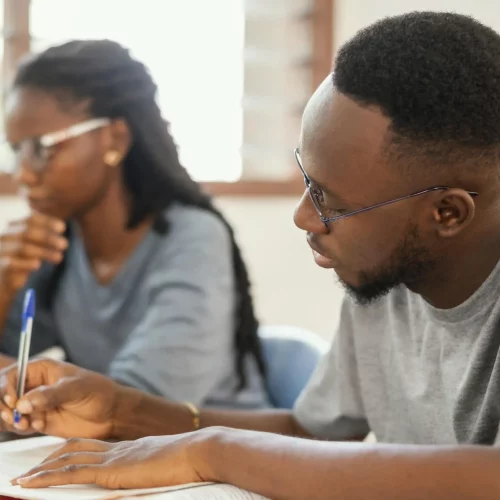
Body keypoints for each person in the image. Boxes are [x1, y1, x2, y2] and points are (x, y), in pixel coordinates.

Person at [2, 10, 500, 499]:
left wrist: (212, 450)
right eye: (309, 180)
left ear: (448, 214)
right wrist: (120, 412)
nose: (304, 217)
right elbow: (313, 435)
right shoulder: (388, 278)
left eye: (332, 202)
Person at [0, 39, 269, 409]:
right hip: (111, 454)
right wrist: (2, 284)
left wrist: (18, 384)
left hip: (219, 453)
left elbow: (142, 405)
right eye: (16, 151)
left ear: (115, 138)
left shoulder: (192, 239)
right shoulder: (56, 245)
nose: (24, 175)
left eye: (42, 147)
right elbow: (14, 357)